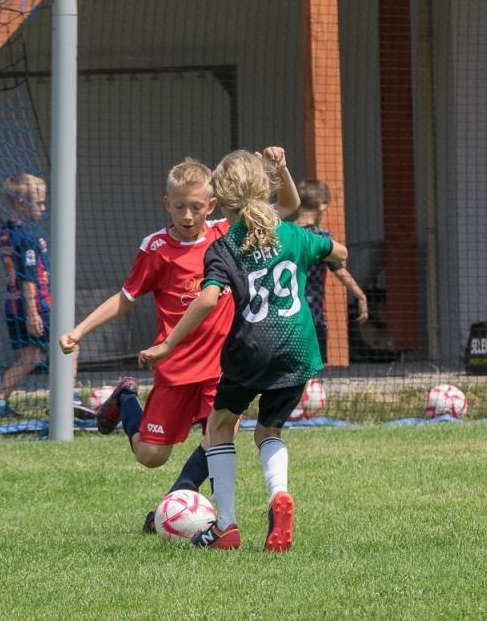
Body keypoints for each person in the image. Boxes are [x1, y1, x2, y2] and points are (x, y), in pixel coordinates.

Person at [60, 148, 297, 532]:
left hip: (222, 366)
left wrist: (280, 169)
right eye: (180, 207)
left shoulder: (228, 233)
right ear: (166, 204)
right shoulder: (156, 248)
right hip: (174, 367)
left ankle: (172, 508)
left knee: (219, 435)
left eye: (197, 207)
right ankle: (124, 398)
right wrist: (79, 330)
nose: (188, 216)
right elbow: (126, 298)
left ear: (212, 205)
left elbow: (285, 206)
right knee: (150, 455)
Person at [138, 150, 343, 552]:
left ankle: (226, 525)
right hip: (299, 351)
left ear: (220, 201)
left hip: (250, 351)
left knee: (219, 426)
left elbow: (208, 298)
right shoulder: (291, 234)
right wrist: (319, 242)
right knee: (269, 430)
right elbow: (340, 253)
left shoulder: (224, 247)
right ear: (263, 191)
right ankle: (277, 494)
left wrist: (167, 344)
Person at [290, 179, 367, 363]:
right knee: (313, 366)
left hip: (288, 315)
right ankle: (308, 392)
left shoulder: (287, 232)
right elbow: (339, 270)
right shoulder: (321, 236)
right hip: (313, 314)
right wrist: (360, 295)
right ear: (322, 206)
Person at [0, 173, 54, 394]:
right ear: (21, 203)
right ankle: (67, 398)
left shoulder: (6, 231)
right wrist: (32, 313)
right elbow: (27, 278)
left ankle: (0, 398)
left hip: (13, 307)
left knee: (30, 357)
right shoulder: (27, 239)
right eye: (39, 204)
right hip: (36, 306)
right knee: (71, 346)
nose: (42, 209)